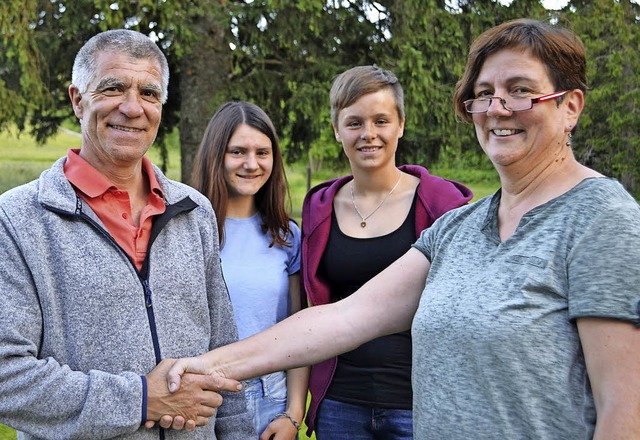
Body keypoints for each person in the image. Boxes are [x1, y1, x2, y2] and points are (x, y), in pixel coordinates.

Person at [166, 18, 640, 439]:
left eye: (521, 90)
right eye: (484, 93)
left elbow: (626, 413)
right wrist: (207, 366)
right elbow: (344, 318)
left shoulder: (600, 220)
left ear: (571, 105)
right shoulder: (459, 227)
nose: (497, 108)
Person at [0, 29, 255, 439]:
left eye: (149, 94)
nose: (133, 108)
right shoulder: (17, 219)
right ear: (77, 99)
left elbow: (224, 354)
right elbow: (6, 377)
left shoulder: (193, 211)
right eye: (113, 87)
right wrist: (140, 399)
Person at [300, 66, 472, 439]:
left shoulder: (443, 203)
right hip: (340, 403)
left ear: (401, 125)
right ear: (336, 130)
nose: (369, 134)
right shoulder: (319, 207)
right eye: (354, 122)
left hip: (419, 404)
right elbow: (309, 306)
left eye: (381, 120)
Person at [191, 101, 308, 439]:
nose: (252, 164)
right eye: (238, 152)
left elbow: (298, 332)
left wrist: (294, 415)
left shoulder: (286, 236)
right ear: (217, 156)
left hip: (270, 398)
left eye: (262, 152)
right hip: (205, 398)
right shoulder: (189, 229)